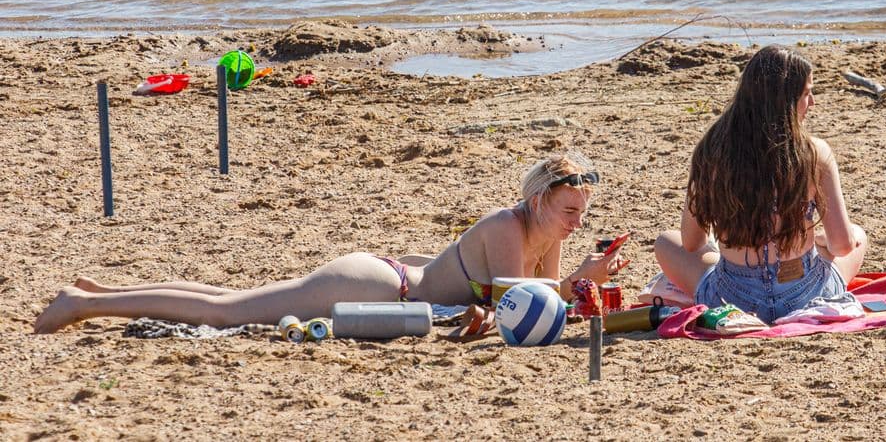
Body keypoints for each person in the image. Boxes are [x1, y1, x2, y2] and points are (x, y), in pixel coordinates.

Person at [34, 152, 622, 334]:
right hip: (373, 283)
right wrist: (577, 284)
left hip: (394, 281)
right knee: (226, 313)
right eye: (569, 210)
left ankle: (99, 290)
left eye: (581, 214)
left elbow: (541, 301)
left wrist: (575, 288)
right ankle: (82, 306)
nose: (574, 222)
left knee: (231, 296)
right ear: (542, 197)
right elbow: (512, 297)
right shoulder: (505, 226)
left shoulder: (542, 231)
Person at [654, 44, 869, 324]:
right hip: (805, 293)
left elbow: (692, 242)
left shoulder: (712, 150)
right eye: (806, 94)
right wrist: (816, 239)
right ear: (785, 101)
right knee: (857, 236)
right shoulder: (814, 153)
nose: (812, 102)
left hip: (733, 297)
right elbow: (841, 246)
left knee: (665, 242)